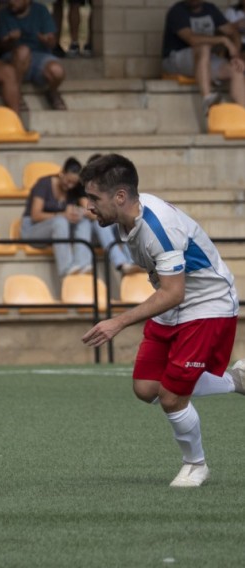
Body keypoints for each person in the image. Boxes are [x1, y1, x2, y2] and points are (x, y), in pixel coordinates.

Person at [80, 153, 245, 488]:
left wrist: (118, 322)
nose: (89, 207)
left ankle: (195, 465)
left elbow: (173, 292)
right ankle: (237, 381)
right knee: (146, 387)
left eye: (94, 198)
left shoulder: (159, 228)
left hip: (207, 306)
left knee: (171, 397)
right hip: (175, 304)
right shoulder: (130, 218)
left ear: (120, 196)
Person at [162, 0, 245, 115]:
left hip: (204, 59)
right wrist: (224, 40)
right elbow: (192, 39)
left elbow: (233, 32)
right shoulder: (177, 11)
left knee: (236, 68)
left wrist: (235, 56)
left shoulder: (210, 9)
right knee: (203, 47)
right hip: (175, 59)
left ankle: (243, 109)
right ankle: (207, 99)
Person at [20, 156, 91, 277]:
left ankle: (82, 264)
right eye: (68, 181)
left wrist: (76, 213)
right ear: (62, 174)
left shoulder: (73, 190)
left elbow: (82, 212)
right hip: (32, 229)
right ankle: (66, 269)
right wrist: (62, 215)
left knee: (84, 221)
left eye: (73, 183)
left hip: (56, 229)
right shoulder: (44, 184)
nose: (70, 186)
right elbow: (35, 215)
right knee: (60, 222)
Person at [0, 0, 68, 110]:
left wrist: (46, 40)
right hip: (14, 57)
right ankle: (16, 92)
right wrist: (10, 39)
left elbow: (52, 42)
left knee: (57, 71)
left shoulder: (41, 10)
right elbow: (1, 47)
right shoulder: (3, 14)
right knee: (23, 51)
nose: (11, 2)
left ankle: (52, 91)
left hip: (39, 56)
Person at [78, 153, 140, 276]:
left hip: (111, 228)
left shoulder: (111, 187)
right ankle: (121, 264)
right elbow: (91, 213)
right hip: (94, 232)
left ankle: (132, 262)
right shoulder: (84, 187)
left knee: (126, 221)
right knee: (99, 225)